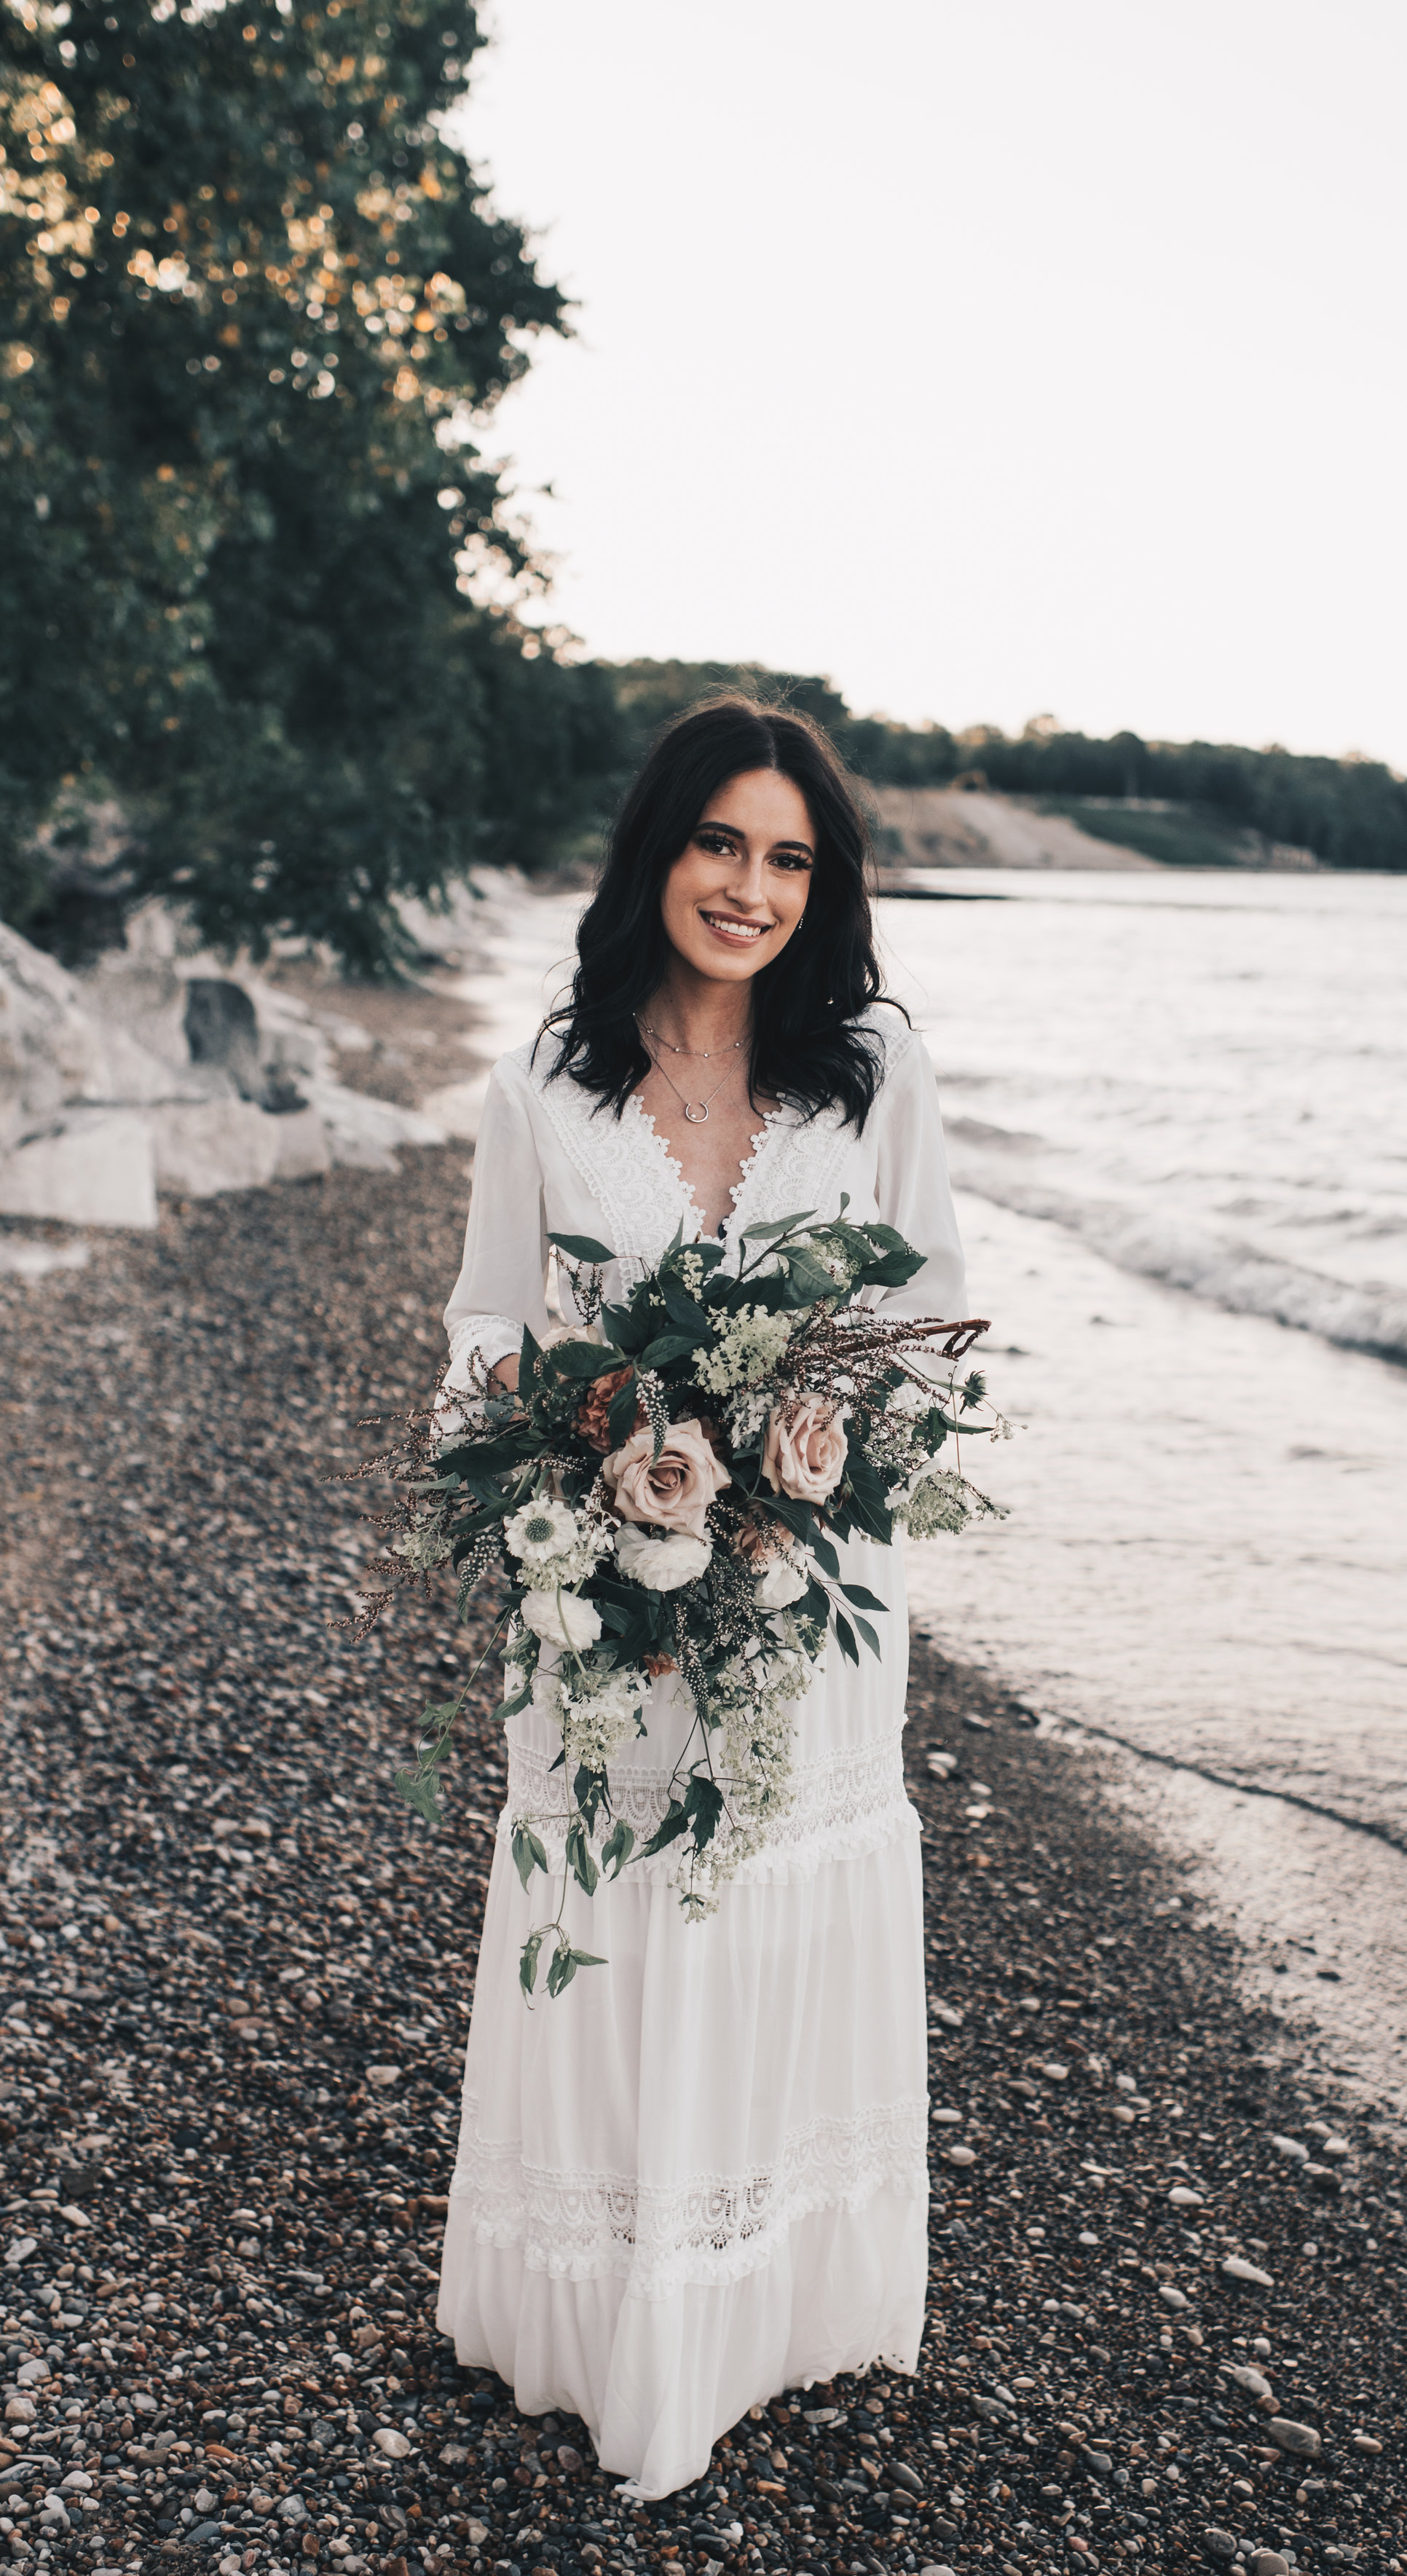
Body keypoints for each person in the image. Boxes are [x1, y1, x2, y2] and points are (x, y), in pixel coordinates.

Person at [435, 695, 969, 2498]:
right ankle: (603, 2300)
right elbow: (487, 1331)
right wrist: (569, 1469)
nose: (748, 886)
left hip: (810, 1584)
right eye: (719, 842)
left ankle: (769, 2294)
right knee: (618, 1877)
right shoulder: (550, 1079)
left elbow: (923, 1325)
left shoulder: (871, 1067)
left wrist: (815, 1435)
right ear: (659, 847)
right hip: (606, 1587)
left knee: (769, 1892)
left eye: (788, 857)